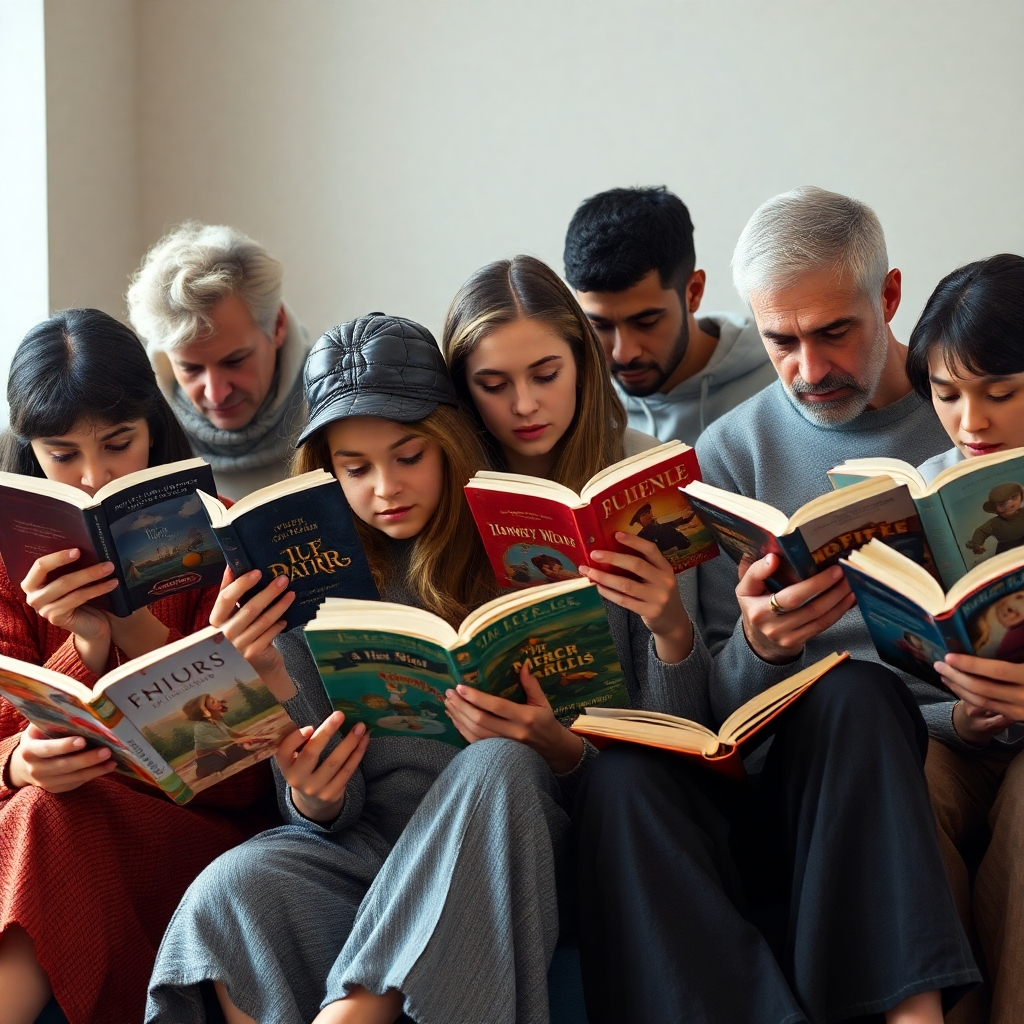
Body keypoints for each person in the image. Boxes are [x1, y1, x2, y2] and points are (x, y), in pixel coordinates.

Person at [147, 313, 711, 1024]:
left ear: (448, 443)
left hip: (519, 852)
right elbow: (325, 810)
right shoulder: (307, 575)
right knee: (238, 883)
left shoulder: (529, 546)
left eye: (409, 456)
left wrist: (557, 747)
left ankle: (356, 1013)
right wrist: (307, 783)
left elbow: (648, 766)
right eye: (356, 469)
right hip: (375, 850)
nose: (385, 487)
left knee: (497, 762)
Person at [572, 188, 979, 1024]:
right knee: (634, 776)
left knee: (856, 691)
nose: (809, 370)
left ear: (889, 297)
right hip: (778, 764)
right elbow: (718, 717)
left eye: (834, 333)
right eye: (781, 341)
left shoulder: (967, 426)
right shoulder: (729, 452)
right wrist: (761, 645)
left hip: (914, 737)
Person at [0, 310, 278, 1024]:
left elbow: (243, 775)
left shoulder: (226, 534)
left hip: (192, 828)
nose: (95, 476)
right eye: (62, 454)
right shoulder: (6, 559)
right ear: (30, 451)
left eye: (119, 443)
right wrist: (22, 760)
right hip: (46, 820)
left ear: (152, 426)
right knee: (39, 808)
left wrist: (128, 624)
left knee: (46, 819)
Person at [904, 252, 1024, 1024]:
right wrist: (955, 717)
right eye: (946, 394)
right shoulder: (925, 492)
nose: (970, 423)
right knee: (900, 782)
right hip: (956, 737)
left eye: (1000, 393)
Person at [563, 186, 777, 444]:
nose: (624, 354)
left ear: (693, 293)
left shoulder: (782, 379)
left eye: (646, 322)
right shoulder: (574, 407)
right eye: (599, 325)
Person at [127, 222, 314, 500]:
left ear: (277, 327)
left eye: (235, 361)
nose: (216, 394)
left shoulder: (338, 415)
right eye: (190, 368)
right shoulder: (136, 434)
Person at [443, 253, 660, 488]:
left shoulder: (648, 463)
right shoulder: (440, 483)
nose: (525, 407)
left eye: (546, 376)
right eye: (494, 386)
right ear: (464, 388)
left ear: (582, 365)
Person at [966, 482, 1024, 555]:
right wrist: (976, 544)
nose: (1009, 505)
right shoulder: (994, 523)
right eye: (1001, 504)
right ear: (994, 508)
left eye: (1014, 498)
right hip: (1006, 549)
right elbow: (981, 531)